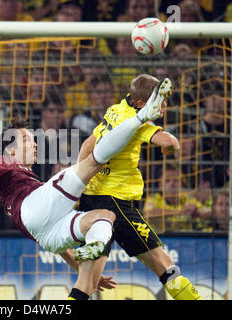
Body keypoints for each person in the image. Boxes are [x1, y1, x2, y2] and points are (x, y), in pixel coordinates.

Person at [0, 80, 168, 299]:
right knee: (93, 162)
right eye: (27, 140)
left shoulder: (23, 181)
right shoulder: (6, 161)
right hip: (34, 210)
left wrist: (82, 269)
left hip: (45, 235)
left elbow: (59, 245)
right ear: (11, 150)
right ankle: (141, 116)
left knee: (105, 217)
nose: (35, 144)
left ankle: (95, 246)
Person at [77, 74, 202, 300]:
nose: (164, 105)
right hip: (117, 204)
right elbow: (170, 142)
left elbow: (88, 144)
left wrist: (78, 182)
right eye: (160, 100)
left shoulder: (115, 109)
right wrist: (170, 149)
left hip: (91, 199)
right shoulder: (136, 120)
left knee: (87, 283)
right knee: (166, 266)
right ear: (142, 104)